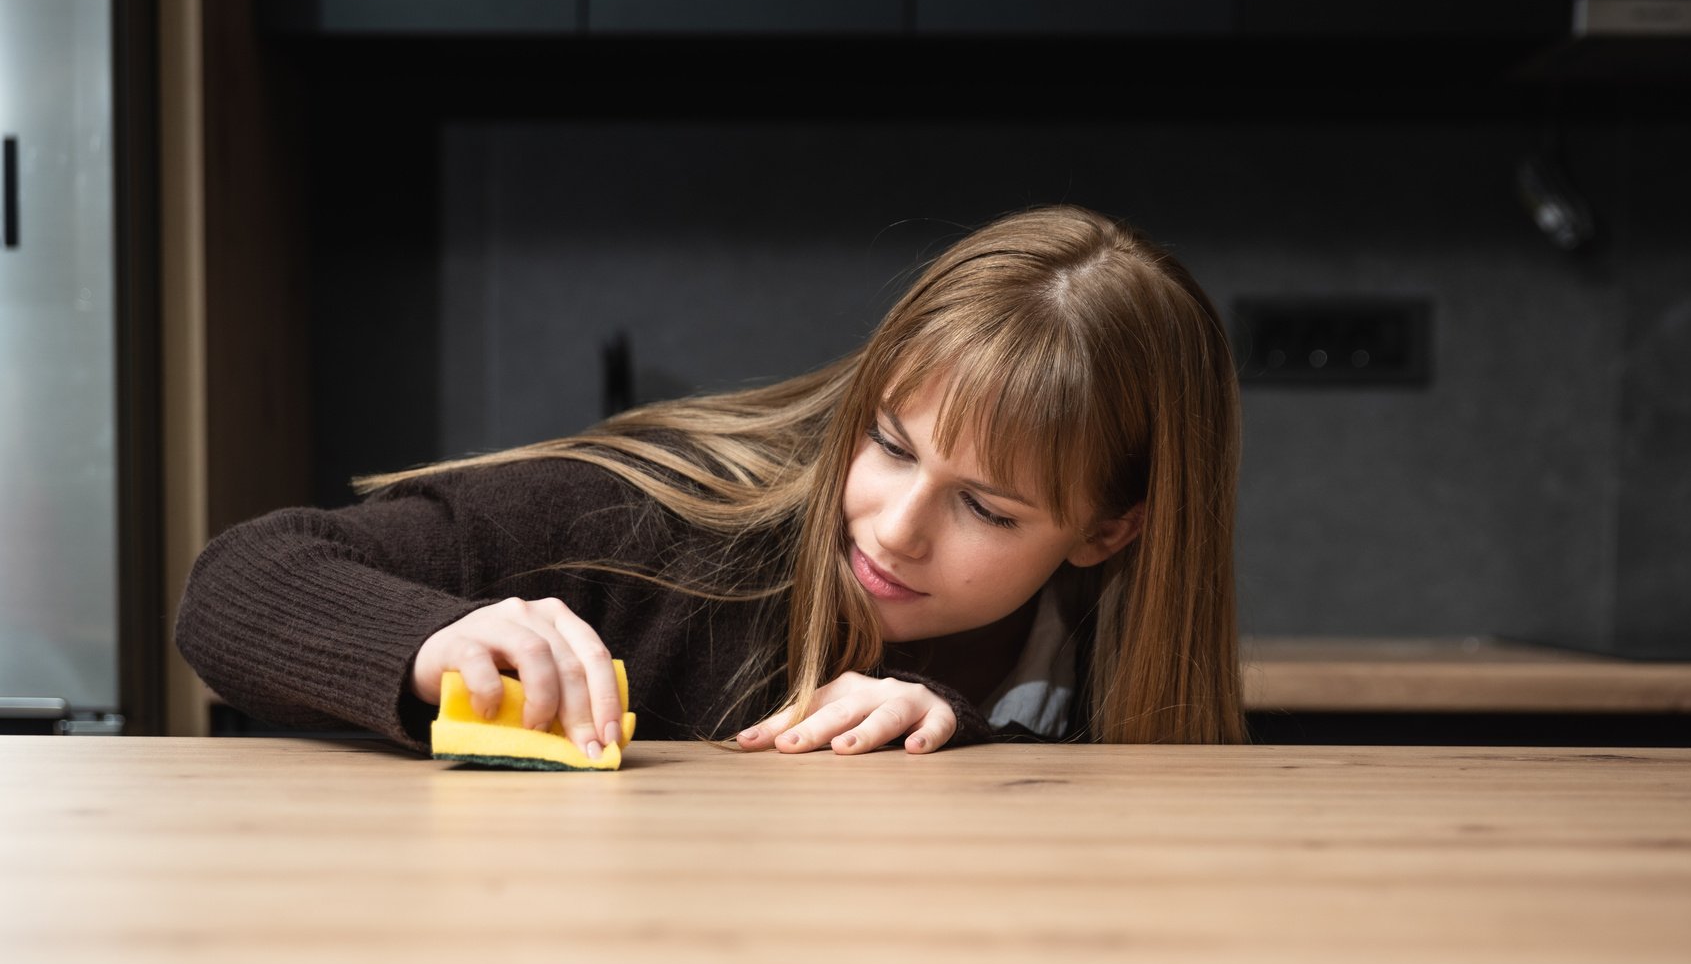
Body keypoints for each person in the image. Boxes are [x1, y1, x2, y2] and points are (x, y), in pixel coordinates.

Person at [174, 204, 1246, 757]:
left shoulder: (1110, 631)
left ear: (1109, 532)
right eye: (886, 442)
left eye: (985, 507)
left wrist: (945, 731)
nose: (893, 527)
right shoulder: (643, 516)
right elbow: (238, 581)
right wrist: (424, 642)